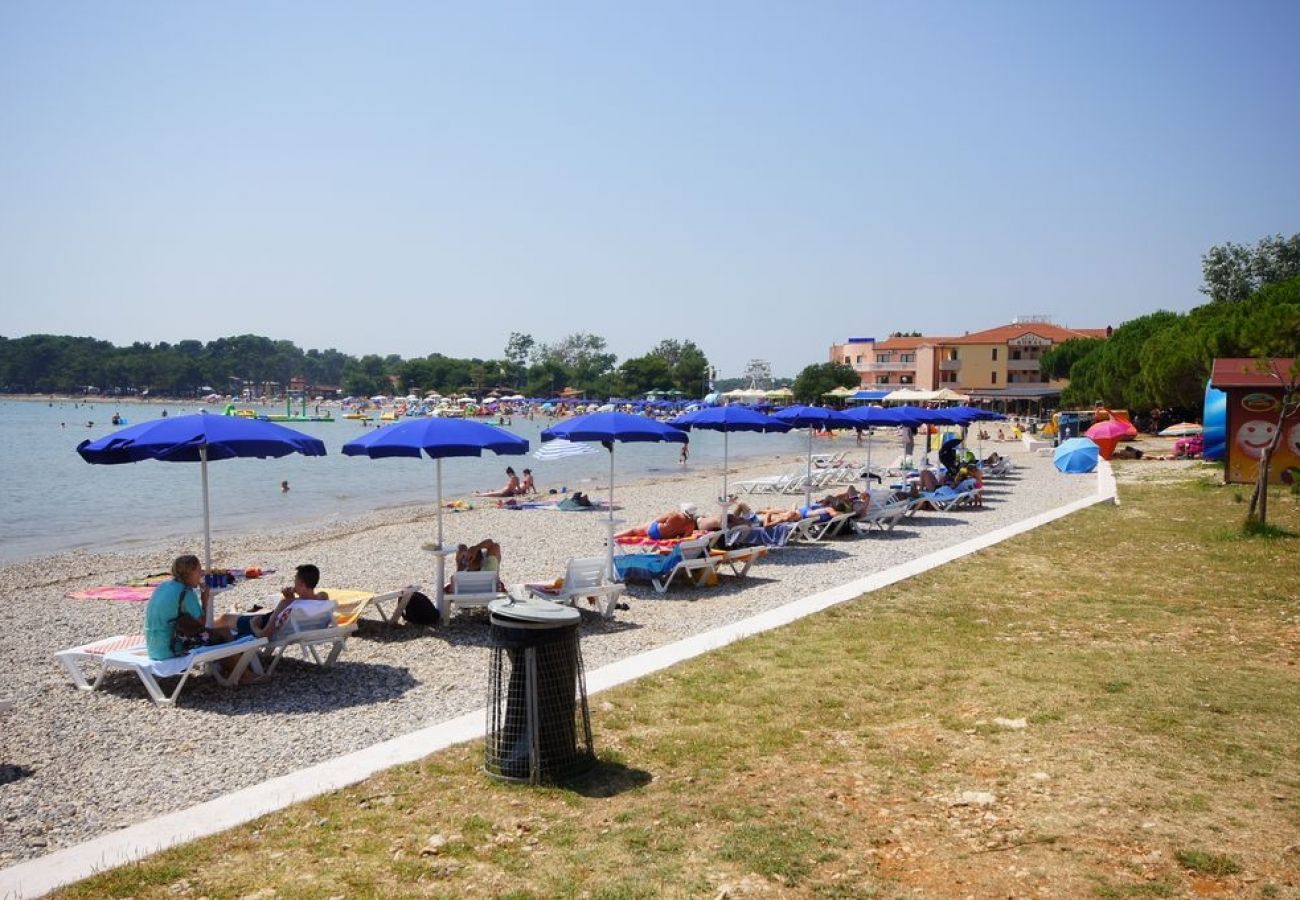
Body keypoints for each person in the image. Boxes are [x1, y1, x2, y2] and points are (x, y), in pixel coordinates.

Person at [143, 555, 264, 683]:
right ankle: (244, 675)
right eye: (198, 570)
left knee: (220, 632)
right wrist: (204, 600)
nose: (201, 574)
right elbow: (202, 623)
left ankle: (228, 668)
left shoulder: (164, 585)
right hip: (170, 648)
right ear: (189, 573)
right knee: (222, 636)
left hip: (153, 646)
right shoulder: (185, 592)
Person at [223, 564, 332, 641]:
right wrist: (293, 598)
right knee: (256, 612)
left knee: (225, 618)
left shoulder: (286, 603)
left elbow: (264, 635)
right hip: (297, 627)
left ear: (302, 585)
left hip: (261, 624)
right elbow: (312, 599)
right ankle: (234, 610)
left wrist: (254, 626)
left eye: (295, 581)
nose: (293, 584)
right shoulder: (322, 599)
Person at [615, 503, 699, 541]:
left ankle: (612, 537)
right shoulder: (691, 525)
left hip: (655, 531)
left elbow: (657, 520)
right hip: (665, 537)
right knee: (641, 530)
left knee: (634, 531)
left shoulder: (673, 514)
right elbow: (684, 539)